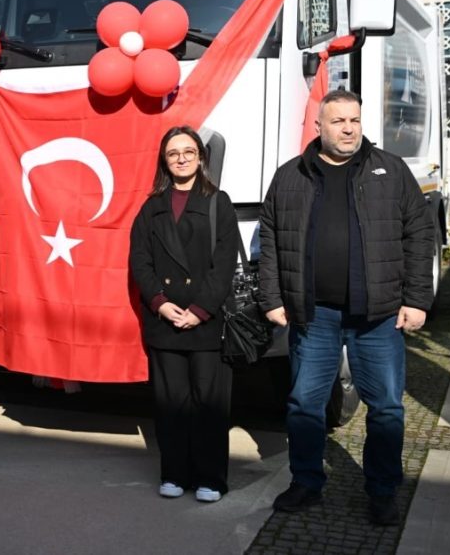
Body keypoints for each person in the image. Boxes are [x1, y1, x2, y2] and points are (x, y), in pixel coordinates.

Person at [259, 89, 434, 526]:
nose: (349, 128)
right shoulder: (290, 176)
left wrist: (417, 299)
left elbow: (419, 234)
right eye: (338, 121)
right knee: (304, 403)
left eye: (354, 120)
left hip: (377, 315)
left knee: (388, 408)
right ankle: (306, 482)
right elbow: (270, 240)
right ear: (319, 127)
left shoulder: (389, 171)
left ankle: (381, 489)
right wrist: (272, 298)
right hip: (313, 314)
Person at [129, 126, 240, 502]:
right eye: (173, 152)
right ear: (164, 159)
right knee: (170, 404)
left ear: (200, 158)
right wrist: (159, 302)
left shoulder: (217, 202)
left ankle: (210, 478)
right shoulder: (151, 207)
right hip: (165, 323)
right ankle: (174, 473)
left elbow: (224, 264)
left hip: (205, 324)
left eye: (188, 152)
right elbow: (139, 261)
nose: (181, 158)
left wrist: (200, 309)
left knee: (209, 405)